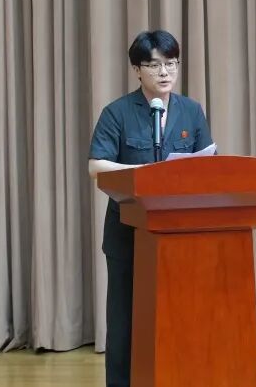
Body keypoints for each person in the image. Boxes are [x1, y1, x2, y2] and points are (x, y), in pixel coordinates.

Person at [88, 30, 214, 387]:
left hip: (179, 234)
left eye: (171, 64)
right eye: (154, 65)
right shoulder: (117, 112)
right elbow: (96, 166)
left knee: (179, 317)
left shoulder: (191, 111)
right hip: (128, 232)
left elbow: (208, 162)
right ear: (137, 70)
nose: (164, 72)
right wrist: (143, 173)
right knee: (125, 320)